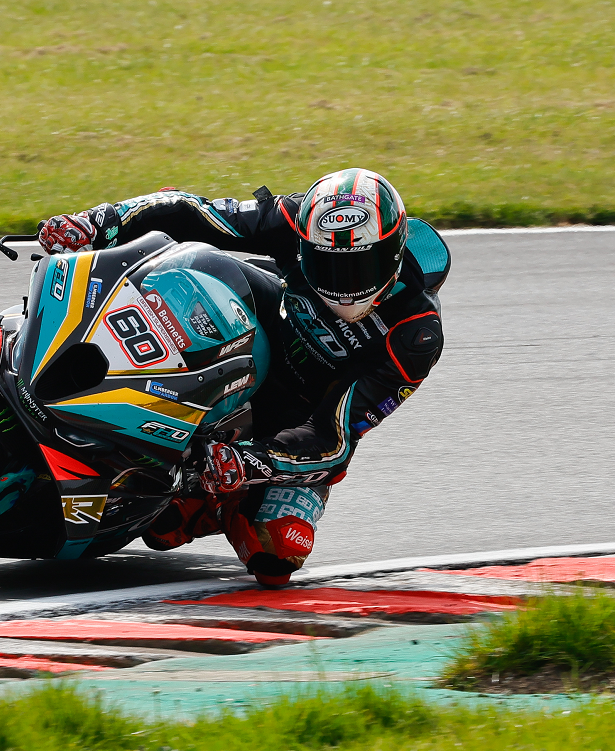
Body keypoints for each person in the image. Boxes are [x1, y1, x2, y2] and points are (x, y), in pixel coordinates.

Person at [37, 168, 449, 586]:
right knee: (189, 264)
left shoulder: (415, 336)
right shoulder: (296, 218)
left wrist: (251, 462)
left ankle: (213, 500)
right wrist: (97, 222)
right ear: (306, 243)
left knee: (276, 552)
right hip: (265, 333)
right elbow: (197, 213)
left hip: (294, 423)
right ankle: (53, 338)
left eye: (361, 266)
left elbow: (333, 437)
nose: (344, 286)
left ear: (394, 254)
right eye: (327, 264)